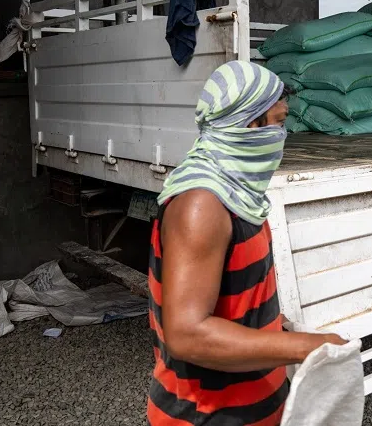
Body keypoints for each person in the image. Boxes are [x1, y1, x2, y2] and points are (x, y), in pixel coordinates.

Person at [147, 61, 345, 426]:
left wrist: (269, 322)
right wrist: (307, 347)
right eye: (279, 122)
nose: (282, 135)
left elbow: (232, 290)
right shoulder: (201, 205)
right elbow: (186, 334)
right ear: (252, 125)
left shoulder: (239, 194)